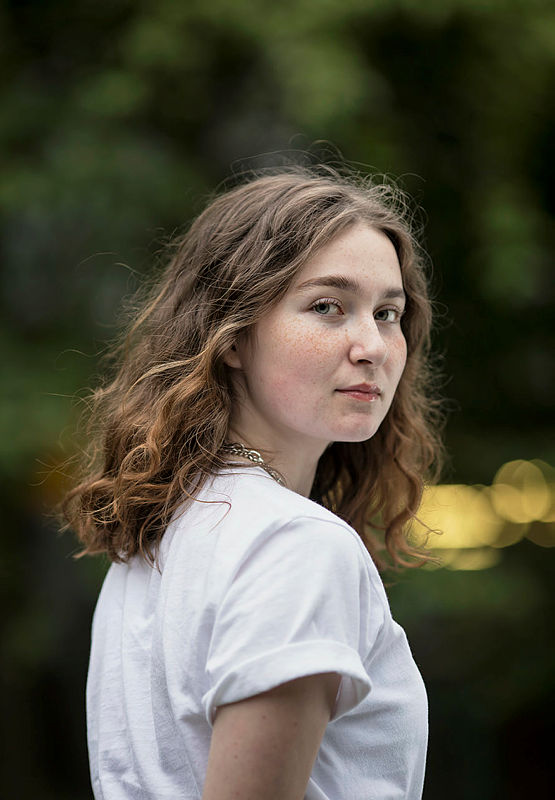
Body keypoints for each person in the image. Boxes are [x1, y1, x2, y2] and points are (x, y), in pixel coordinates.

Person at [62, 165, 445, 800]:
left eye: (387, 313)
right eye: (327, 307)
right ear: (233, 336)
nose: (372, 346)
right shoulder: (294, 543)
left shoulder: (161, 538)